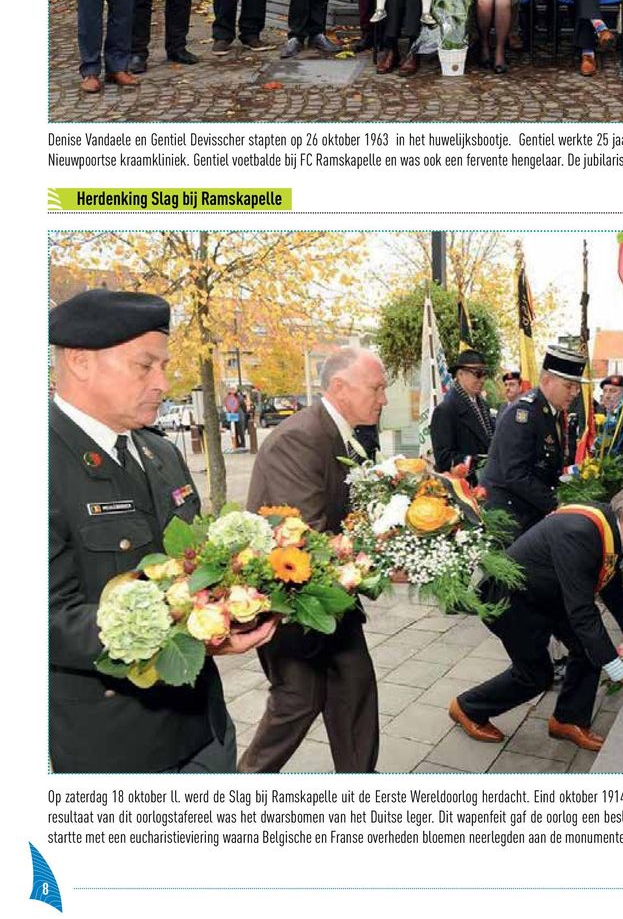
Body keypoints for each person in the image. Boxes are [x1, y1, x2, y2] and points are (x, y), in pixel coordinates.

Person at [49, 290, 274, 773]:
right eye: (144, 366)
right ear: (80, 361)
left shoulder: (162, 453)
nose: (163, 383)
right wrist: (189, 629)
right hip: (116, 750)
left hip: (204, 726)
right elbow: (47, 620)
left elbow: (195, 567)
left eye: (165, 366)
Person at [239, 348, 387, 773]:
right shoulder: (300, 437)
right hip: (294, 604)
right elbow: (309, 538)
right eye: (375, 388)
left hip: (329, 599)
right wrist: (378, 559)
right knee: (297, 702)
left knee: (355, 691)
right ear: (339, 387)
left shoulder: (342, 434)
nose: (382, 399)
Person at [449, 484, 623, 752]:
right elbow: (582, 613)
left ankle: (568, 720)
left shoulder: (613, 530)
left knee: (589, 648)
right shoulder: (580, 533)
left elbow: (614, 592)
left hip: (550, 593)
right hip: (511, 601)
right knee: (535, 676)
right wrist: (622, 673)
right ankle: (467, 708)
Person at [481, 345, 586, 532]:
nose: (574, 393)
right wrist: (557, 503)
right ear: (546, 380)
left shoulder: (551, 412)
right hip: (509, 516)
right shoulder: (524, 414)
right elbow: (515, 474)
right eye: (569, 386)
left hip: (528, 511)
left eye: (577, 387)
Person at [430, 348, 496, 483]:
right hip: (464, 488)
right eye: (477, 374)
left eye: (484, 374)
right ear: (460, 374)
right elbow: (443, 459)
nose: (482, 379)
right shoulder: (445, 410)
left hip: (487, 483)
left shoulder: (484, 405)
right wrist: (477, 462)